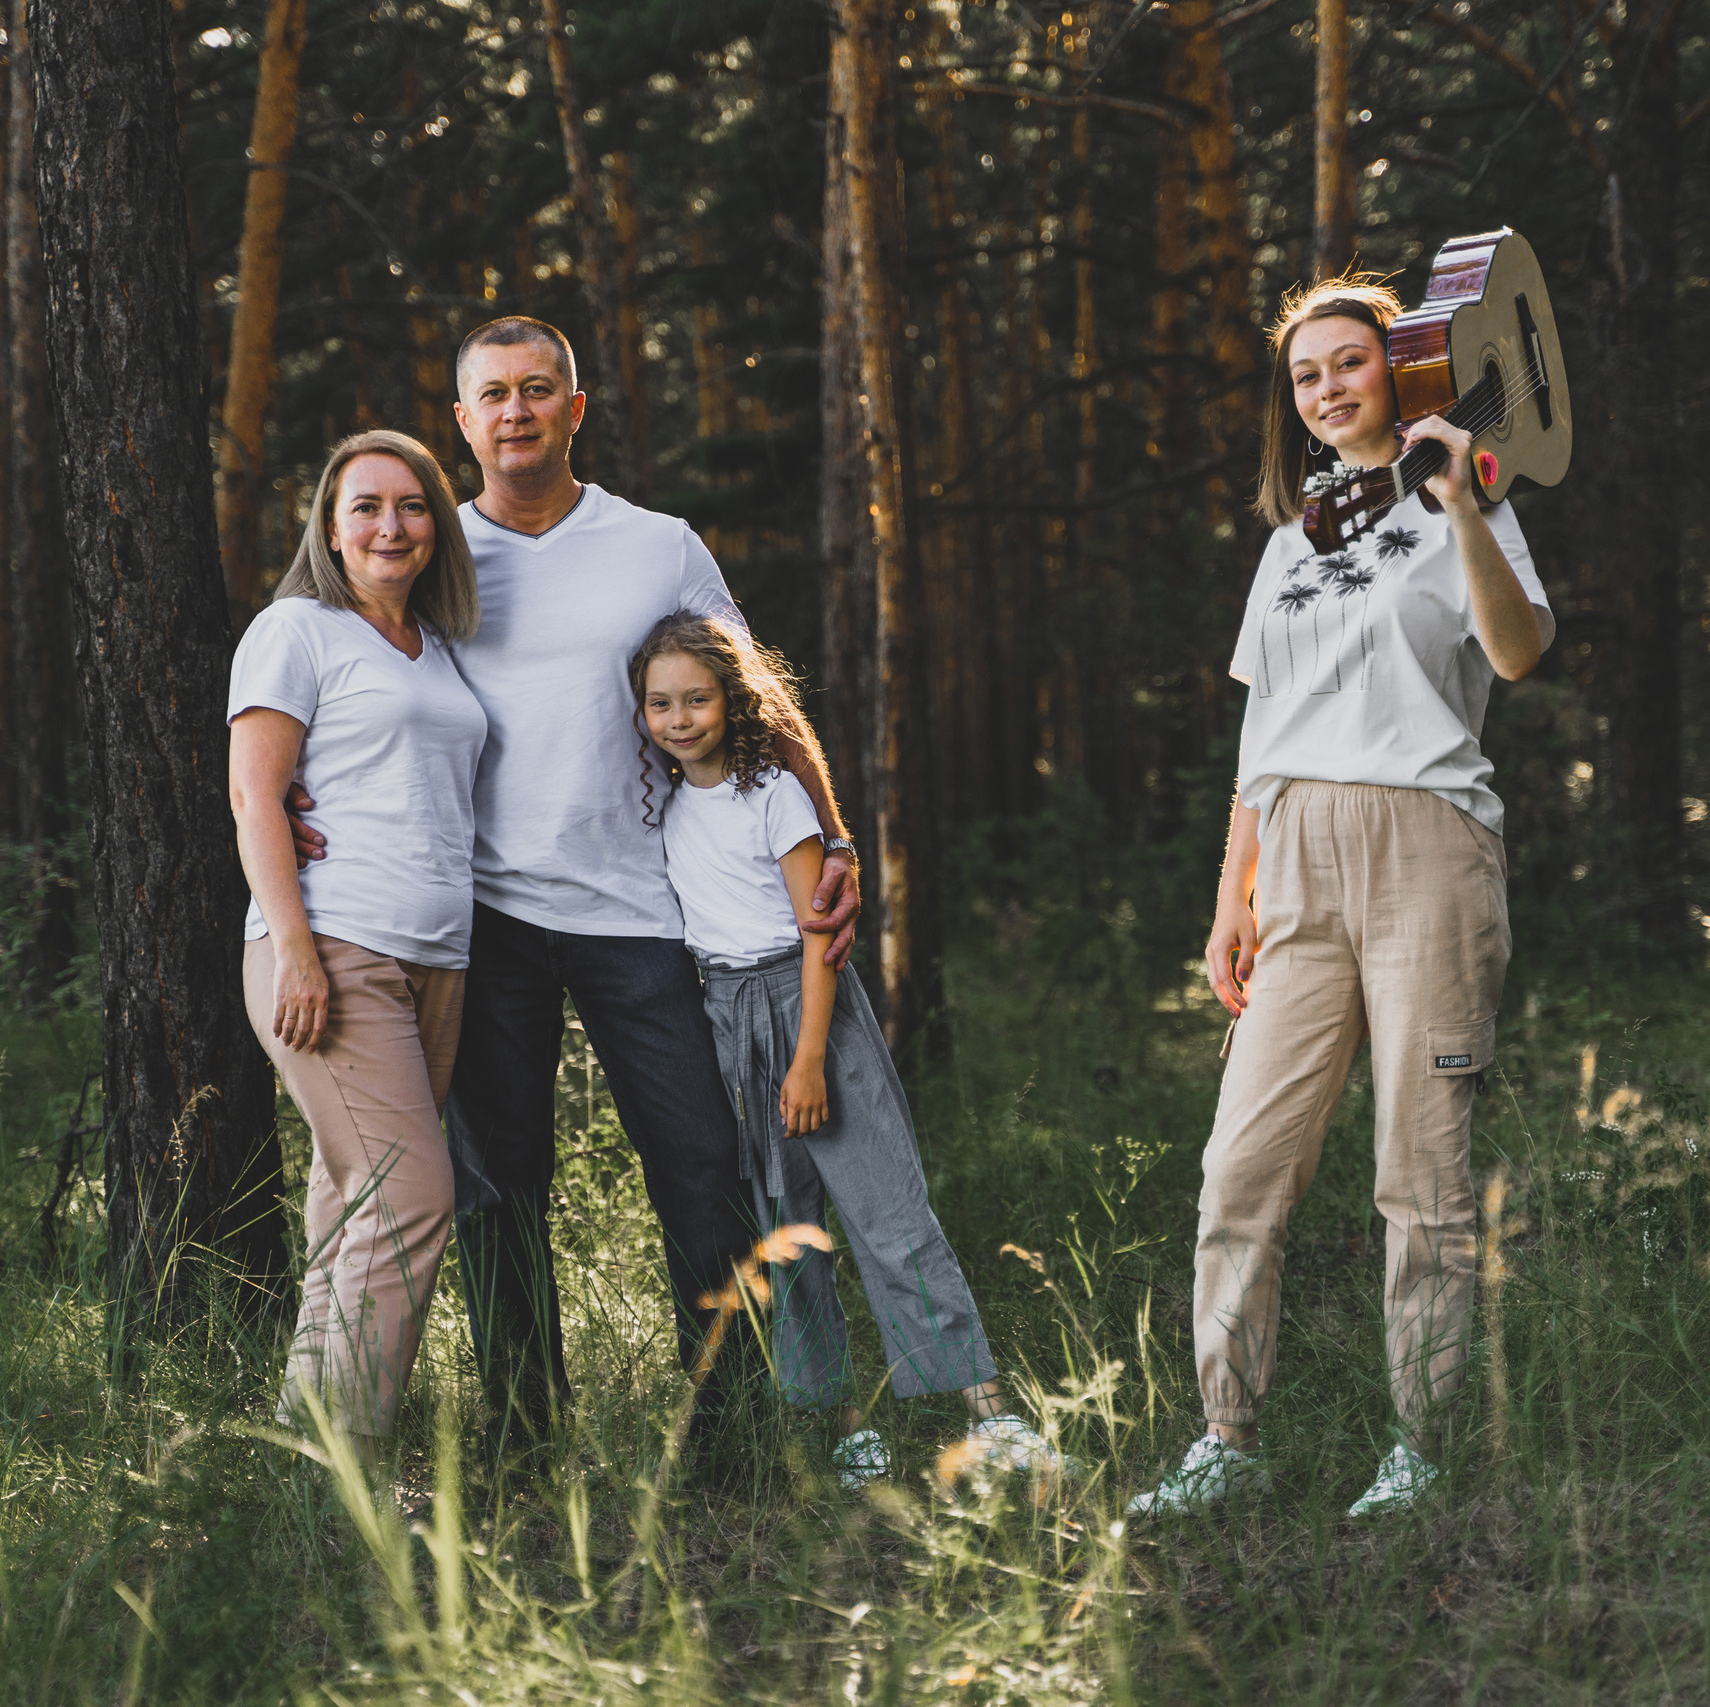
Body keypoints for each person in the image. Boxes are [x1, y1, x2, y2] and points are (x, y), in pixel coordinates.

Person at [290, 317, 861, 1466]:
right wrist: (305, 798)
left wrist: (832, 833)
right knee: (499, 1189)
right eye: (492, 394)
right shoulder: (431, 551)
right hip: (482, 919)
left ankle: (731, 1434)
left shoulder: (655, 545)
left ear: (575, 408)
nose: (516, 412)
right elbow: (344, 676)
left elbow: (752, 692)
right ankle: (521, 1435)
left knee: (701, 1171)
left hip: (644, 913)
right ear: (462, 421)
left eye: (538, 390)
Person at [1127, 276, 1554, 1519]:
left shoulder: (1471, 502)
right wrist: (1231, 898)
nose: (1325, 388)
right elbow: (1263, 738)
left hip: (1430, 844)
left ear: (1397, 372)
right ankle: (1227, 1434)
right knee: (1238, 1169)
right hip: (1297, 854)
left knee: (1418, 1175)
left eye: (1347, 363)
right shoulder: (1283, 547)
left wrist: (1461, 507)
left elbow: (1519, 654)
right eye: (1305, 374)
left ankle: (1422, 1449)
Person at [631, 612, 1069, 1489]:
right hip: (725, 1011)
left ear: (735, 699)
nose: (679, 719)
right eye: (659, 704)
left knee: (890, 1215)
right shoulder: (669, 803)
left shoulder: (775, 795)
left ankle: (990, 1410)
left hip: (808, 1003)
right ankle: (839, 1422)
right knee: (781, 1229)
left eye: (698, 698)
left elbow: (819, 935)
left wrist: (806, 1059)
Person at [228, 430, 487, 1471]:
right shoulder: (297, 629)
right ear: (329, 529)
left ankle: (304, 1446)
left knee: (353, 1205)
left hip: (438, 961)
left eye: (412, 505)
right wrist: (294, 949)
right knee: (411, 1195)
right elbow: (254, 794)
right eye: (366, 506)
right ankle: (356, 1462)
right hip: (336, 950)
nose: (391, 525)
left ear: (436, 523)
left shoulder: (436, 644)